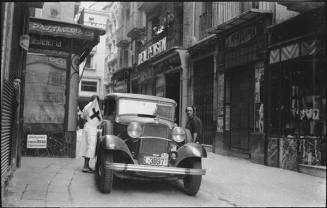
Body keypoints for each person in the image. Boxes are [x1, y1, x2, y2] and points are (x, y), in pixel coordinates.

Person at [81, 95, 102, 173]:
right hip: (92, 127)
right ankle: (85, 167)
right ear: (97, 100)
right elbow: (98, 118)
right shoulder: (95, 107)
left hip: (87, 126)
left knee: (86, 145)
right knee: (91, 146)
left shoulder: (86, 106)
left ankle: (86, 165)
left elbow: (83, 117)